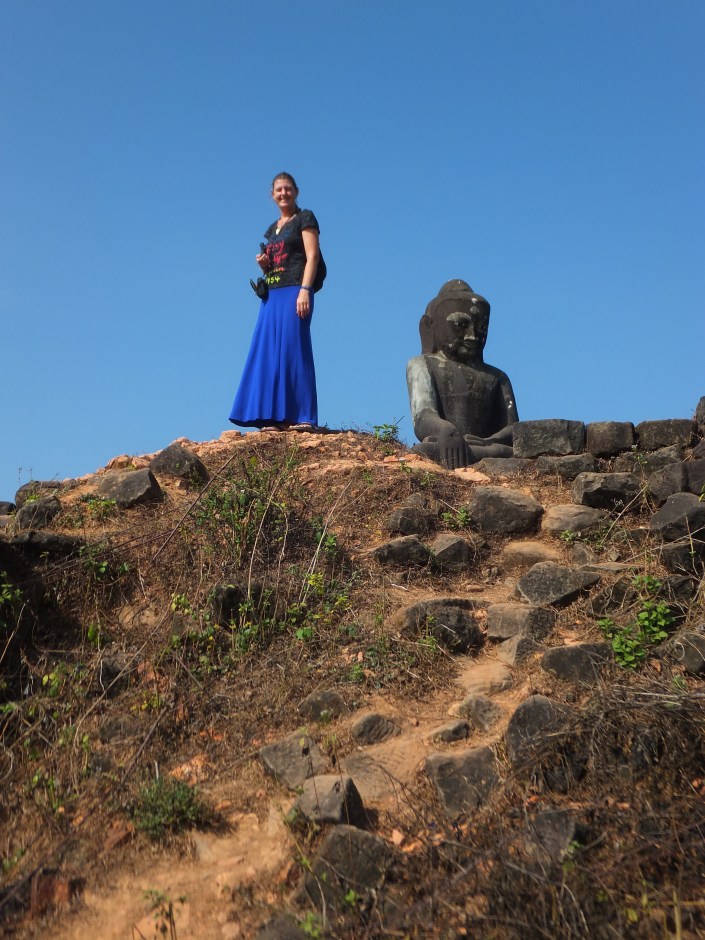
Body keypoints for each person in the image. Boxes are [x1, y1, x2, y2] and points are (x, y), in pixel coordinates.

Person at [229, 172, 321, 431]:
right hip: (272, 294)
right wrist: (264, 265)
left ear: (296, 192)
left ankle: (303, 416)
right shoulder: (273, 229)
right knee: (268, 352)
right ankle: (271, 417)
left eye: (288, 189)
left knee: (295, 348)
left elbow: (312, 257)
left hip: (295, 290)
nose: (283, 193)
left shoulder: (305, 218)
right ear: (272, 195)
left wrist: (305, 289)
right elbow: (276, 265)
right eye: (279, 190)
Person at [406, 279, 518, 469]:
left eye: (481, 327)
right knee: (424, 450)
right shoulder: (422, 364)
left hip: (486, 447)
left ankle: (471, 455)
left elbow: (513, 428)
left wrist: (489, 441)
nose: (472, 335)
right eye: (461, 324)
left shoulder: (497, 377)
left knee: (513, 454)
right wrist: (445, 429)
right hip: (444, 442)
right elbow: (423, 416)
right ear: (429, 326)